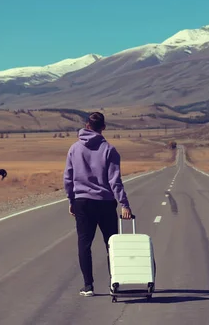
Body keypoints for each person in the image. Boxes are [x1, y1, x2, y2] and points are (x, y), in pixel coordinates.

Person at [63, 112, 132, 297]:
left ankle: (88, 286)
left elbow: (68, 179)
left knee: (84, 244)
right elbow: (115, 181)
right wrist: (124, 204)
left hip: (82, 202)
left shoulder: (74, 149)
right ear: (104, 127)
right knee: (112, 244)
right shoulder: (109, 149)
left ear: (87, 125)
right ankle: (114, 283)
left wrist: (71, 200)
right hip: (105, 203)